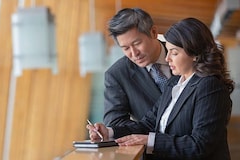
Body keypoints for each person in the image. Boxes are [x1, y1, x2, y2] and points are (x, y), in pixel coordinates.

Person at [87, 17, 234, 159]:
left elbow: (201, 145)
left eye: (174, 52)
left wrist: (150, 141)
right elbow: (147, 124)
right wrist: (109, 132)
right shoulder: (175, 83)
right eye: (168, 51)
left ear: (195, 54)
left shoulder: (210, 86)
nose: (168, 58)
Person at [104, 8, 172, 127]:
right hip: (153, 145)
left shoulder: (184, 54)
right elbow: (115, 122)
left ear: (154, 32)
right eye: (126, 48)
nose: (134, 53)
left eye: (137, 44)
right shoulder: (117, 74)